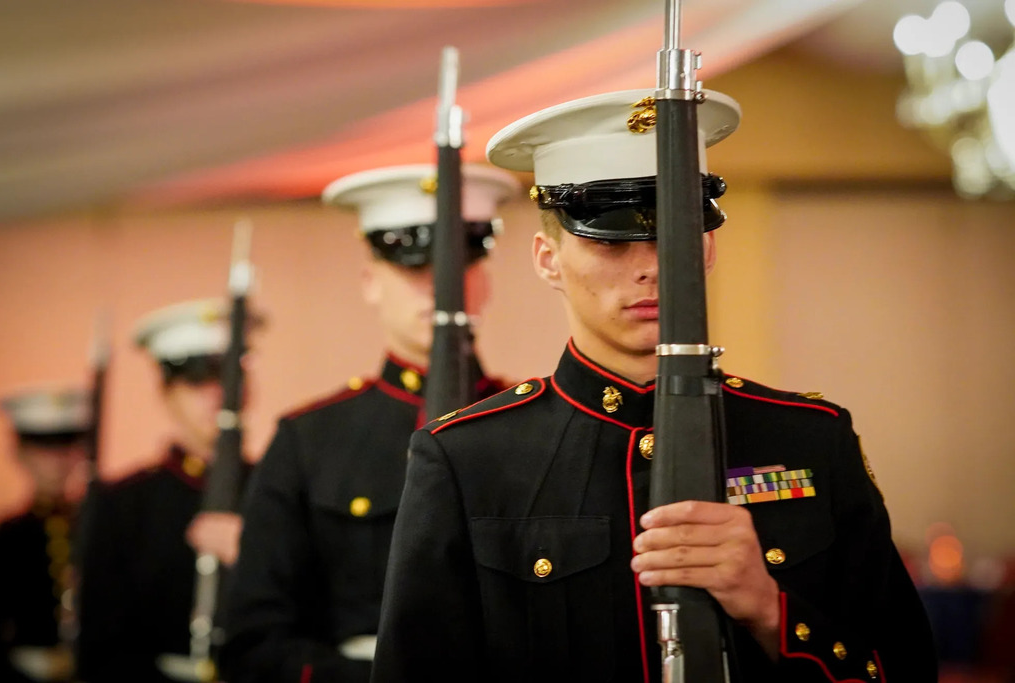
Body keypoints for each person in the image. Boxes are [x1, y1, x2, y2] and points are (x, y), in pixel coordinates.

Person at [371, 90, 938, 681]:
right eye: (610, 240)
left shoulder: (810, 440)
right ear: (547, 259)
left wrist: (770, 610)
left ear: (708, 246)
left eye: (673, 235)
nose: (650, 265)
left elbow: (906, 666)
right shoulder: (467, 458)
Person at [220, 163, 518, 683]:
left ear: (484, 282)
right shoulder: (309, 440)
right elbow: (253, 639)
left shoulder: (531, 423)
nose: (439, 289)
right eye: (414, 269)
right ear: (370, 283)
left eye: (457, 267)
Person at [76, 299, 258, 683]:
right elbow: (100, 643)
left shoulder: (280, 488)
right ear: (166, 391)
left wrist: (257, 554)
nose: (217, 395)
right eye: (197, 380)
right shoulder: (123, 503)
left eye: (228, 377)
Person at [0, 387, 90, 683]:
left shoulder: (100, 528)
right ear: (20, 452)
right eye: (43, 447)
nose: (56, 460)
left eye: (65, 445)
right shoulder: (5, 538)